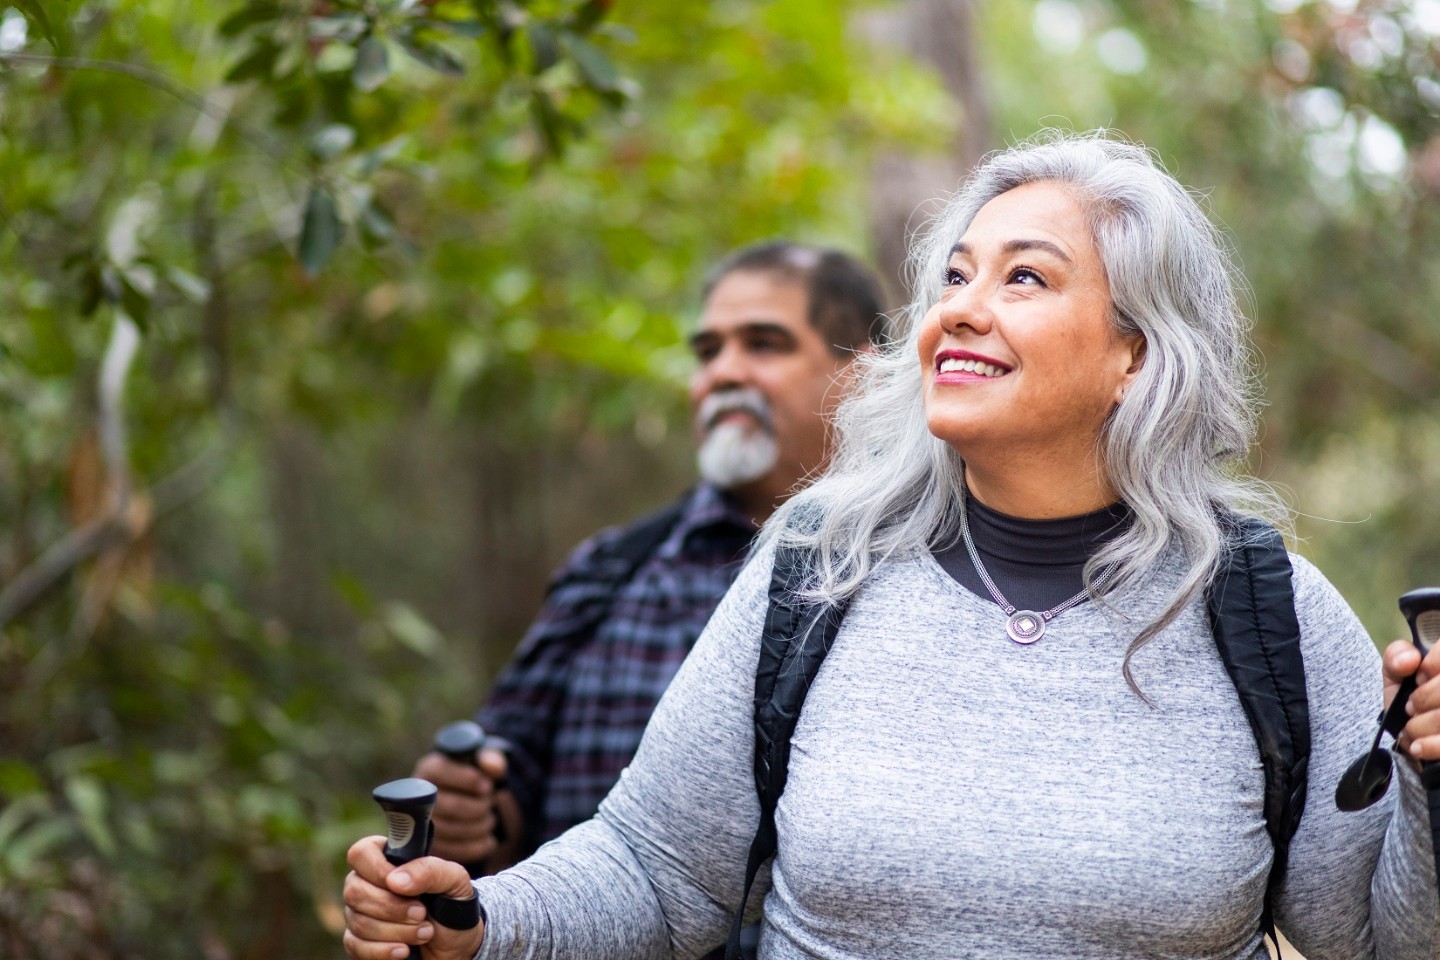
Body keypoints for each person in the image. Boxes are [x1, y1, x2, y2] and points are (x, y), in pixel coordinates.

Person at [342, 132, 1440, 960]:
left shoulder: (1264, 606)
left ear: (1138, 358)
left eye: (1024, 278)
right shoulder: (821, 564)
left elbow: (1381, 939)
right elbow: (660, 867)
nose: (960, 308)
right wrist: (478, 920)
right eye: (955, 275)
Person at [412, 242, 888, 878]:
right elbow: (509, 781)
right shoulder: (612, 570)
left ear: (862, 373)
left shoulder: (925, 573)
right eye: (708, 351)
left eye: (764, 343)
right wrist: (471, 808)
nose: (724, 372)